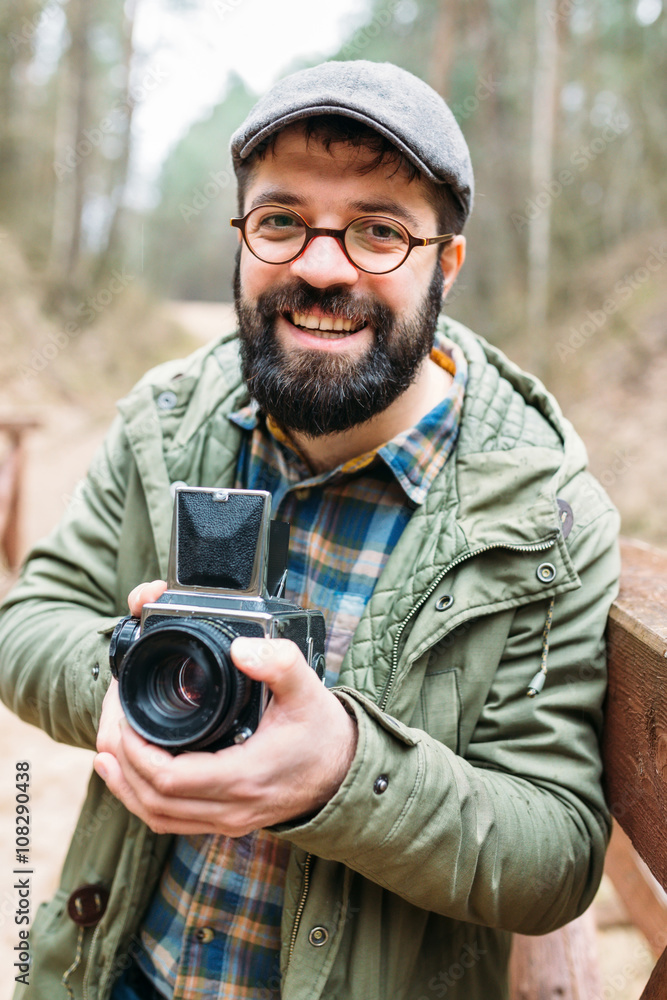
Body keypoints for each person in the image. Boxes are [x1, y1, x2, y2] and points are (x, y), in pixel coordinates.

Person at [0, 60, 620, 1000]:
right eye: (282, 220)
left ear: (446, 264)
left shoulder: (545, 518)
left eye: (379, 230)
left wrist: (342, 772)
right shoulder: (167, 417)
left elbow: (556, 855)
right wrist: (134, 680)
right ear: (241, 238)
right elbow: (31, 620)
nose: (321, 267)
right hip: (118, 972)